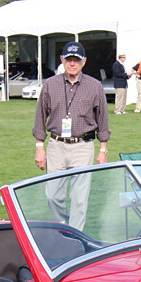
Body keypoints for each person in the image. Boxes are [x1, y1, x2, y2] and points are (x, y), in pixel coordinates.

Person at [32, 41, 111, 229]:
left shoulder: (94, 86)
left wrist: (103, 150)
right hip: (56, 146)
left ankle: (75, 236)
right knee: (53, 195)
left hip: (83, 146)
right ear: (62, 60)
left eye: (76, 60)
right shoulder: (50, 85)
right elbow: (40, 117)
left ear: (84, 61)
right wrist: (39, 148)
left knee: (79, 199)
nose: (72, 63)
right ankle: (63, 227)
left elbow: (103, 119)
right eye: (69, 59)